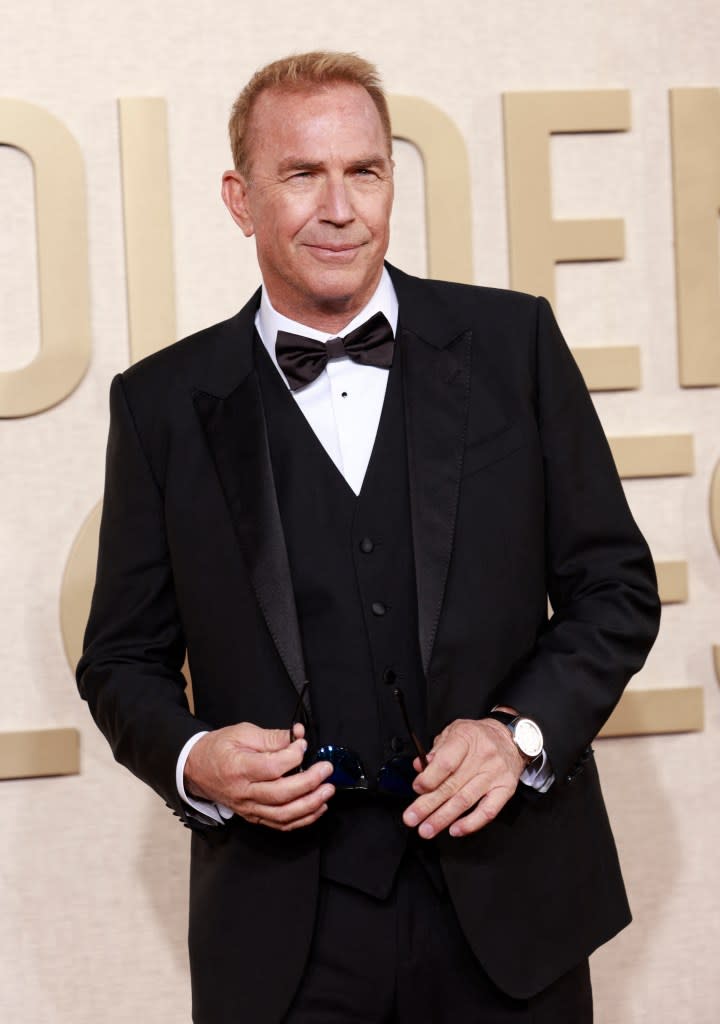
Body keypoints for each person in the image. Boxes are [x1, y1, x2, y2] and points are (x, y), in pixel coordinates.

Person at [77, 51, 660, 1023]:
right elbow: (121, 658)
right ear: (240, 196)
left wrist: (518, 734)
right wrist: (195, 760)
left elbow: (616, 587)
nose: (340, 206)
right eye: (303, 174)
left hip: (512, 914)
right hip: (285, 940)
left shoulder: (513, 345)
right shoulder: (164, 405)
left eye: (366, 169)